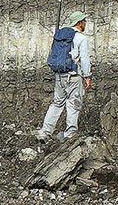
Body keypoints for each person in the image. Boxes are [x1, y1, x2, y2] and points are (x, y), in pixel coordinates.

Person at [37, 11, 92, 141]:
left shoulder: (60, 36)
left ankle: (45, 132)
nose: (85, 23)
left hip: (59, 75)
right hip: (74, 76)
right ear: (79, 23)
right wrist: (87, 77)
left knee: (57, 103)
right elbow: (84, 59)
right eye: (84, 21)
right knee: (73, 104)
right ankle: (70, 134)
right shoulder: (81, 38)